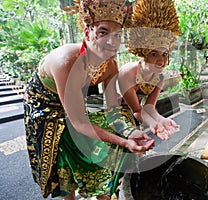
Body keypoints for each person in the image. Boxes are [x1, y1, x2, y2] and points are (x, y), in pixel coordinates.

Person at [23, 0, 154, 199]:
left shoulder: (110, 65)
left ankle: (103, 193)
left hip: (73, 106)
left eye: (117, 35)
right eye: (103, 32)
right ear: (87, 33)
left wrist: (131, 132)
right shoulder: (66, 62)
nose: (112, 41)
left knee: (105, 148)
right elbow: (80, 123)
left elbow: (113, 111)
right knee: (70, 155)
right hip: (45, 106)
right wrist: (125, 142)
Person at [118, 0, 180, 140]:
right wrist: (153, 124)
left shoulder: (160, 78)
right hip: (114, 117)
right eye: (154, 54)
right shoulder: (127, 74)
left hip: (136, 119)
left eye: (164, 54)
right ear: (144, 54)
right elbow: (137, 110)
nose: (161, 61)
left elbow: (149, 107)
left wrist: (161, 120)